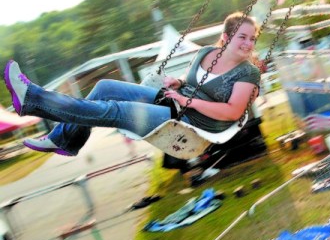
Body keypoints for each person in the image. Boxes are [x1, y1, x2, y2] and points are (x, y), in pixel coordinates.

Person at [3, 12, 261, 157]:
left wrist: (187, 101)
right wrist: (179, 82)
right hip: (174, 101)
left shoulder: (247, 73)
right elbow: (195, 81)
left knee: (115, 110)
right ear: (226, 38)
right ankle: (65, 139)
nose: (248, 44)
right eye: (242, 37)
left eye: (252, 38)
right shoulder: (206, 52)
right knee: (104, 87)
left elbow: (232, 111)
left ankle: (32, 98)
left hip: (192, 123)